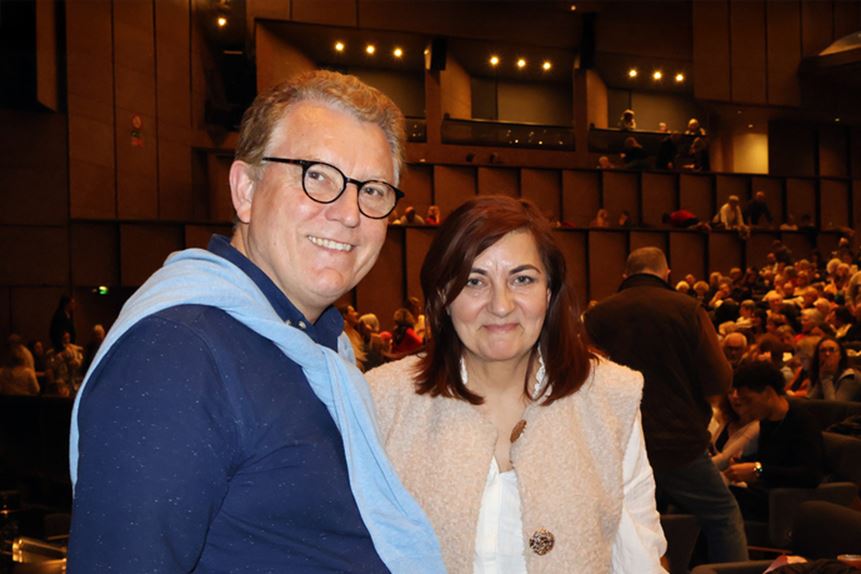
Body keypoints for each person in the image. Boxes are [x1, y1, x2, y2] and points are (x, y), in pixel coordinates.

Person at [68, 70, 444, 572]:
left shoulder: (317, 348)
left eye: (372, 190)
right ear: (245, 189)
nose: (350, 213)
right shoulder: (179, 354)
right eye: (317, 176)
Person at [367, 196, 666, 572]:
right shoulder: (383, 401)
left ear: (549, 292)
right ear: (443, 296)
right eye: (474, 281)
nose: (501, 305)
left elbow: (639, 558)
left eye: (522, 279)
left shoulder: (609, 397)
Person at [585, 247, 749, 564]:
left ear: (625, 275)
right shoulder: (688, 310)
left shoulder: (598, 315)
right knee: (723, 514)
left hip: (619, 442)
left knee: (629, 526)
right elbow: (718, 379)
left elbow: (587, 379)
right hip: (678, 442)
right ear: (667, 273)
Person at [724, 360, 823, 521]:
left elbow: (810, 475)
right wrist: (743, 463)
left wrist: (758, 470)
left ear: (768, 393)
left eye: (748, 401)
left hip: (784, 502)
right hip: (765, 494)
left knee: (717, 500)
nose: (746, 408)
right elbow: (771, 460)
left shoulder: (802, 421)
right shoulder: (767, 421)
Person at [802, 336, 861, 401]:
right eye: (822, 351)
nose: (827, 354)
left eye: (832, 350)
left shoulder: (850, 376)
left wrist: (826, 378)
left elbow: (834, 406)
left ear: (840, 355)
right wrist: (820, 380)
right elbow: (809, 402)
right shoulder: (819, 372)